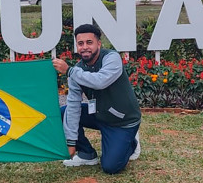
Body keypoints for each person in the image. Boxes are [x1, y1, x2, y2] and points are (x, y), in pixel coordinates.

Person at [52, 24, 141, 174]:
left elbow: (100, 81)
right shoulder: (76, 71)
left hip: (122, 121)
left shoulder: (111, 58)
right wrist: (71, 142)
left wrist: (68, 70)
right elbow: (73, 106)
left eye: (89, 42)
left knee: (110, 167)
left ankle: (131, 143)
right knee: (64, 111)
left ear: (98, 44)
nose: (85, 47)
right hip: (100, 114)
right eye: (80, 43)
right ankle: (87, 154)